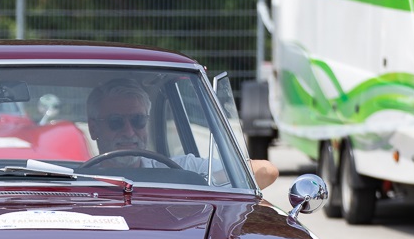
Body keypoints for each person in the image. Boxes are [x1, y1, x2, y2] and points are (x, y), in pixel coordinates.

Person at [86, 78, 278, 190]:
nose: (129, 132)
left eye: (138, 121)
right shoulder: (72, 178)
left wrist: (200, 181)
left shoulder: (180, 170)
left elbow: (265, 171)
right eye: (116, 122)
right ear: (94, 128)